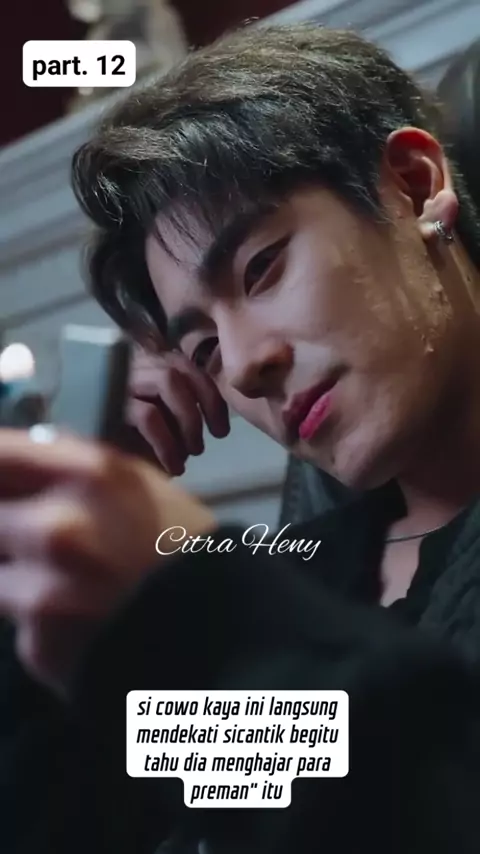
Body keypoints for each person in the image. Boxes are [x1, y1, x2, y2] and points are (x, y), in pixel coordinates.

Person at [2, 23, 480, 854]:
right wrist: (53, 603)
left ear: (412, 185)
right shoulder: (307, 570)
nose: (249, 366)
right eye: (204, 351)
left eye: (262, 268)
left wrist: (199, 616)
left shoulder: (244, 610)